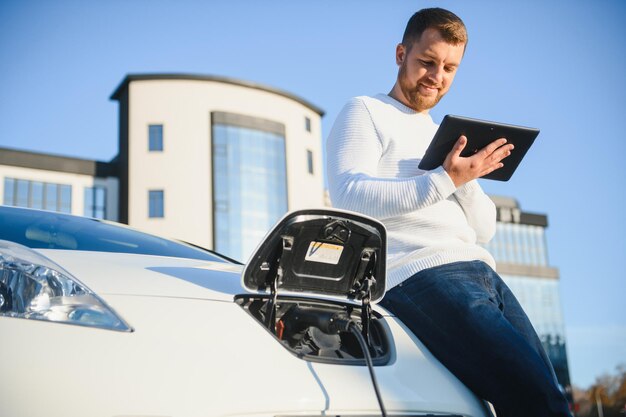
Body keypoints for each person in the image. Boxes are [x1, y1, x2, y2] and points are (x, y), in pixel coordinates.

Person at [326, 8, 573, 417]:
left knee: (552, 398)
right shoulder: (365, 110)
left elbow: (484, 229)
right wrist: (445, 180)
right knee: (538, 401)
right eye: (427, 61)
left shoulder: (439, 131)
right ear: (401, 52)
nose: (436, 76)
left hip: (483, 273)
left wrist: (469, 176)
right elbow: (350, 196)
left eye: (449, 68)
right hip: (422, 274)